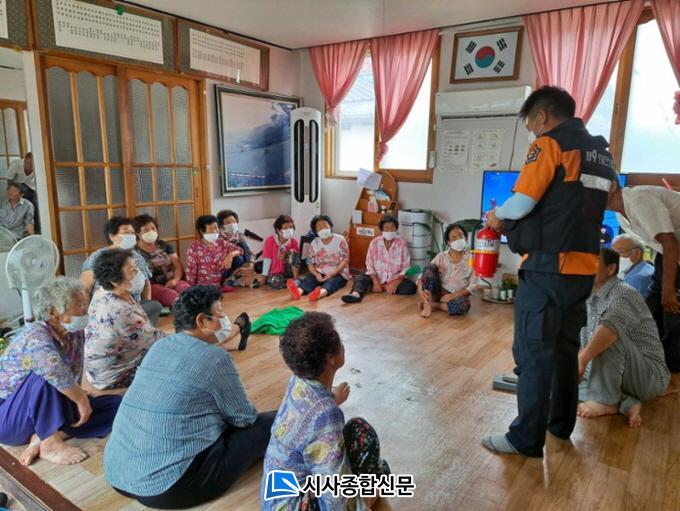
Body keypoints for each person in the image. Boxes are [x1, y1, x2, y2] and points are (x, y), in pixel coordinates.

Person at [484, 86, 618, 457]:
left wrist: (497, 215)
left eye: (531, 125)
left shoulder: (549, 144)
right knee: (564, 349)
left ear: (542, 116)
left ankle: (525, 439)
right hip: (584, 268)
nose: (532, 133)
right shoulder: (601, 153)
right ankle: (560, 425)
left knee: (533, 353)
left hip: (547, 267)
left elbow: (523, 202)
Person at [105, 286, 269, 509]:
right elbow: (244, 419)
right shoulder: (215, 358)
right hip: (169, 488)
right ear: (202, 321)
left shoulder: (160, 346)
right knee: (273, 422)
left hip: (117, 473)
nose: (224, 318)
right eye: (220, 312)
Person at [262, 312, 389, 511]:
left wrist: (332, 397)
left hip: (275, 499)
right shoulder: (326, 416)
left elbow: (310, 417)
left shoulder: (298, 380)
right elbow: (335, 497)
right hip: (299, 503)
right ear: (330, 358)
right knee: (365, 439)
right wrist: (362, 502)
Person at [0, 278, 121, 466]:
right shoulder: (35, 337)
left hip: (46, 407)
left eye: (85, 303)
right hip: (10, 417)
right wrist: (80, 400)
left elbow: (74, 374)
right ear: (53, 313)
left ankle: (43, 436)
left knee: (117, 405)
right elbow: (57, 375)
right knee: (45, 375)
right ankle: (50, 443)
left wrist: (78, 396)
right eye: (79, 304)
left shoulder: (75, 333)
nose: (85, 309)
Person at [577, 248, 670, 428]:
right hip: (616, 371)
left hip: (648, 375)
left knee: (606, 335)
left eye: (592, 262)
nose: (584, 266)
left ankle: (605, 401)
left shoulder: (623, 293)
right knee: (559, 384)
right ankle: (625, 402)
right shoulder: (589, 294)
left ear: (611, 269)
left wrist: (582, 359)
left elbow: (610, 331)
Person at [607, 184, 680, 373]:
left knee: (673, 311)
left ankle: (672, 375)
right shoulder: (621, 215)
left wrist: (669, 289)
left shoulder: (640, 199)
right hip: (667, 254)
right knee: (652, 307)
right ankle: (652, 362)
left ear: (611, 186)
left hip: (672, 250)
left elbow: (670, 243)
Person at [85, 249, 167, 390]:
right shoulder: (120, 311)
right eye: (132, 271)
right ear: (115, 280)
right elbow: (154, 342)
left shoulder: (107, 291)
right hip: (112, 375)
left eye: (136, 268)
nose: (138, 273)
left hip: (101, 366)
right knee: (173, 361)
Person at [80, 216, 162, 326]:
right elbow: (84, 288)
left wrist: (144, 305)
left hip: (133, 304)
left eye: (132, 233)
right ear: (112, 236)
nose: (131, 236)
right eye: (126, 232)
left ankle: (138, 326)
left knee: (154, 306)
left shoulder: (137, 257)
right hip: (107, 305)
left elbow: (146, 284)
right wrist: (86, 313)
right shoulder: (97, 257)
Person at [342, 214, 415, 304]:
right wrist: (376, 281)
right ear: (381, 230)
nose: (390, 230)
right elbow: (369, 264)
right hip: (376, 277)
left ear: (396, 229)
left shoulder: (402, 244)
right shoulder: (374, 243)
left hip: (393, 278)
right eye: (386, 228)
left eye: (392, 228)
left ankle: (380, 287)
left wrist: (396, 282)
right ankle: (356, 295)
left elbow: (406, 267)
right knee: (360, 278)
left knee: (411, 287)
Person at [416, 223, 474, 318]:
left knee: (464, 306)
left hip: (456, 295)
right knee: (429, 268)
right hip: (437, 291)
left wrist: (452, 296)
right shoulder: (441, 256)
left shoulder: (472, 259)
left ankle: (434, 305)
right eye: (454, 238)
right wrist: (420, 292)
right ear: (449, 242)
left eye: (460, 236)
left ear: (466, 238)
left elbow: (473, 285)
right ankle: (428, 302)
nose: (458, 239)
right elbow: (424, 274)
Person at [287, 215, 350, 302]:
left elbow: (345, 259)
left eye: (325, 225)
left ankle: (319, 294)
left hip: (338, 273)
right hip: (320, 271)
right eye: (319, 227)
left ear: (330, 226)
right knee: (309, 280)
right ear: (316, 231)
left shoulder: (340, 239)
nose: (323, 228)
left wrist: (333, 273)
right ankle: (298, 292)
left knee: (331, 283)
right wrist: (316, 274)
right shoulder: (315, 243)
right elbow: (309, 262)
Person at [134, 214, 190, 307]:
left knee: (188, 290)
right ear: (138, 233)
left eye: (153, 228)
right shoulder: (135, 252)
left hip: (173, 280)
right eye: (146, 230)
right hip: (152, 286)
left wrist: (175, 280)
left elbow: (178, 266)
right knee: (172, 296)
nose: (151, 231)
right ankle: (185, 311)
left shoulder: (164, 245)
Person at [185, 215, 242, 293]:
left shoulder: (221, 242)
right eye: (211, 229)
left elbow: (240, 250)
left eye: (216, 228)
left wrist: (230, 255)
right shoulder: (194, 249)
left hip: (219, 282)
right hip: (202, 287)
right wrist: (191, 290)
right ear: (202, 231)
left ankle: (223, 284)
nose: (216, 231)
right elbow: (191, 272)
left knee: (238, 258)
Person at [261, 214, 301, 289]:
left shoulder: (294, 242)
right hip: (276, 273)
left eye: (291, 227)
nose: (289, 230)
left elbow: (296, 261)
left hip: (290, 271)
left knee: (293, 252)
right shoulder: (270, 241)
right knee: (274, 282)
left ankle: (295, 279)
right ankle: (289, 283)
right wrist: (264, 276)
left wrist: (287, 255)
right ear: (278, 230)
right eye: (285, 227)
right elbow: (267, 259)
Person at [217, 209, 255, 286]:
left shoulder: (239, 236)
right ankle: (228, 279)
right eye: (228, 222)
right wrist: (230, 255)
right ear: (222, 226)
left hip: (239, 266)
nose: (232, 224)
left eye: (234, 222)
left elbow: (250, 252)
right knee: (239, 258)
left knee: (242, 244)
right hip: (224, 268)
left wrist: (251, 264)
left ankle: (244, 272)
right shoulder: (218, 238)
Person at [611, 233, 654, 299]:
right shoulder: (646, 268)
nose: (614, 257)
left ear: (637, 253)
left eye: (620, 252)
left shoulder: (637, 278)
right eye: (613, 252)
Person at [6, 153, 39, 233]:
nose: (29, 166)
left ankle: (36, 228)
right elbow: (9, 180)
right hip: (16, 185)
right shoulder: (16, 164)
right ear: (24, 161)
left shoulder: (38, 167)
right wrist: (12, 193)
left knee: (34, 205)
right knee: (18, 206)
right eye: (27, 163)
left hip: (30, 187)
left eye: (32, 164)